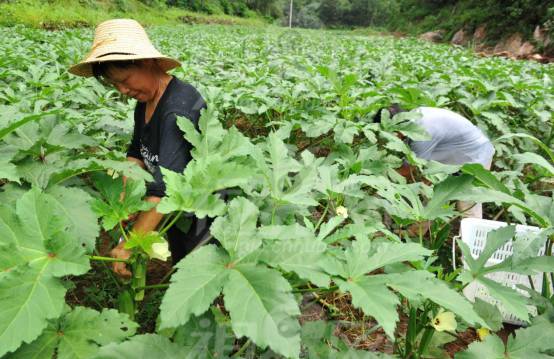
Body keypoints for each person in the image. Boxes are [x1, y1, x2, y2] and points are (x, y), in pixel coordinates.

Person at [69, 19, 211, 276]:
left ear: (145, 62)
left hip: (203, 209)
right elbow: (136, 152)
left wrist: (129, 245)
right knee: (180, 256)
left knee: (195, 272)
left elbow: (163, 190)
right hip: (176, 203)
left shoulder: (176, 110)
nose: (123, 90)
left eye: (125, 80)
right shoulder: (145, 101)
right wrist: (124, 198)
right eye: (115, 85)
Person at [374, 104, 495, 218]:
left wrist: (379, 182)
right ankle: (416, 231)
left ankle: (472, 239)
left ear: (394, 129)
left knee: (467, 206)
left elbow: (411, 169)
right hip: (452, 157)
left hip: (475, 156)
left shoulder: (421, 132)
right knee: (432, 197)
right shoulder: (413, 117)